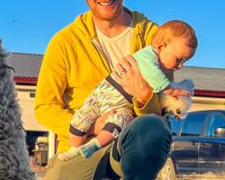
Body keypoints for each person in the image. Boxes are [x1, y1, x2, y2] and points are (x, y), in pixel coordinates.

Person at [34, 0, 175, 180]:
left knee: (153, 127)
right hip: (83, 146)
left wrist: (143, 96)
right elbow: (44, 107)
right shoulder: (64, 42)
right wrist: (88, 125)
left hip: (130, 142)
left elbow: (164, 108)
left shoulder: (153, 36)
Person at [60, 20, 197, 161]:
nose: (180, 66)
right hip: (105, 94)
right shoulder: (148, 56)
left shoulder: (162, 71)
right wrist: (170, 89)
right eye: (179, 59)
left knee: (119, 122)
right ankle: (74, 149)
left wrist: (171, 108)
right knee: (81, 117)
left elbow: (156, 100)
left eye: (184, 62)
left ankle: (93, 145)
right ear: (161, 46)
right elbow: (155, 77)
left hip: (121, 105)